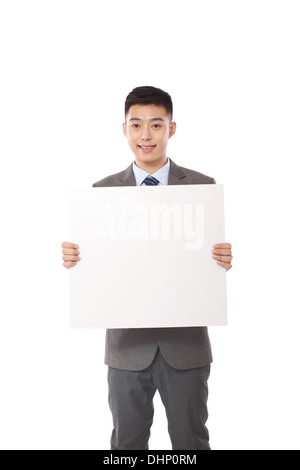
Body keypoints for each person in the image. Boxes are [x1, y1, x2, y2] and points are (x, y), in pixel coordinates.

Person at [61, 86, 232, 450]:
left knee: (191, 444)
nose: (145, 135)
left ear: (171, 129)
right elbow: (100, 266)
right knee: (127, 445)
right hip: (126, 348)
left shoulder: (201, 188)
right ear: (124, 129)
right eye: (136, 125)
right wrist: (79, 260)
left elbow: (205, 264)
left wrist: (219, 261)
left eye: (156, 125)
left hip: (185, 348)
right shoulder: (102, 192)